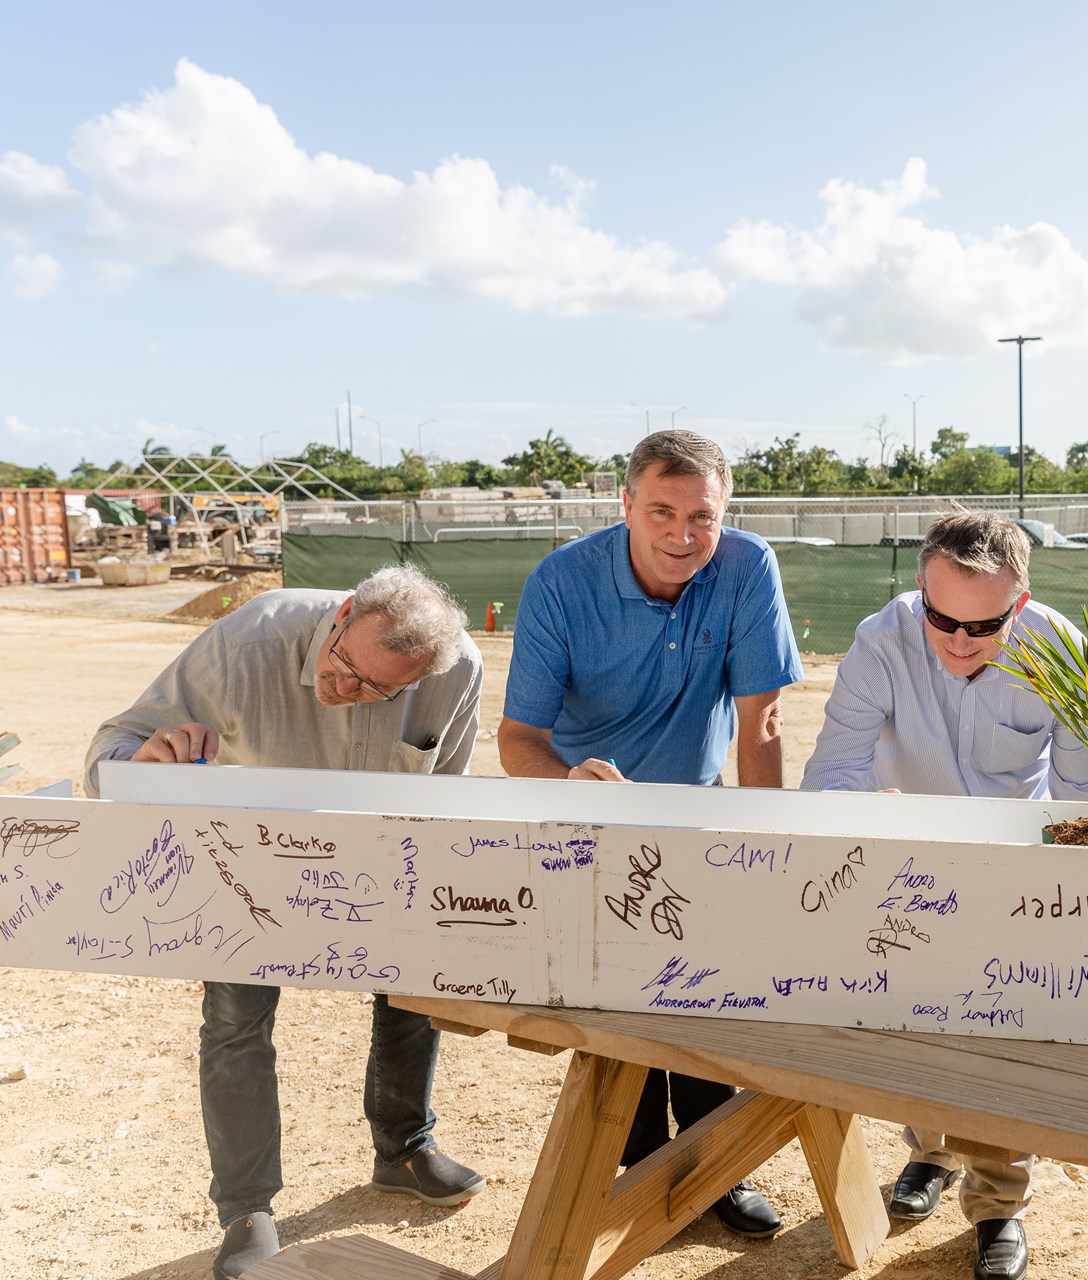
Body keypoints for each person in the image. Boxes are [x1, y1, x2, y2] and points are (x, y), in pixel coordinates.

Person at [83, 565, 486, 1280]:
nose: (345, 691)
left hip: (383, 849)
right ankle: (245, 1210)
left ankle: (404, 1149)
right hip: (253, 859)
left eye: (378, 690)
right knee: (236, 1019)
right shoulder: (249, 641)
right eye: (342, 667)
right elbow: (111, 749)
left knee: (411, 1001)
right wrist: (141, 765)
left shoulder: (458, 670)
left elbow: (445, 793)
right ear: (339, 616)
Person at [498, 428, 802, 1239]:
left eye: (701, 516)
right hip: (588, 821)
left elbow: (761, 718)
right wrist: (570, 784)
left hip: (698, 813)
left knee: (710, 999)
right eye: (661, 511)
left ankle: (715, 1172)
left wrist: (762, 837)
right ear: (624, 504)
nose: (681, 534)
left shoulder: (746, 566)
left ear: (724, 514)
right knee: (618, 1008)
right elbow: (516, 740)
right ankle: (635, 1170)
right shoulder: (561, 582)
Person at [802, 509, 1088, 1280]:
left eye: (985, 625)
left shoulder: (1065, 651)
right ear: (918, 590)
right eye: (942, 619)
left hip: (1019, 860)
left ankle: (999, 1202)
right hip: (914, 847)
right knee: (916, 1004)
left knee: (1004, 1024)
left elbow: (1082, 791)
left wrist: (1058, 884)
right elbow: (834, 768)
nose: (961, 641)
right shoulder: (880, 641)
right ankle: (931, 1151)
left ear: (1022, 605)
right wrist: (866, 828)